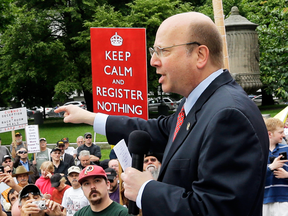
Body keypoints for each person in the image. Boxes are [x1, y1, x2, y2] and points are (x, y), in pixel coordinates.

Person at [55, 12, 269, 215]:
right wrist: (90, 117)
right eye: (153, 52)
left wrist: (145, 189)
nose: (153, 61)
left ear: (200, 55)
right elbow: (156, 131)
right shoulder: (200, 103)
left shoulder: (228, 116)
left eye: (163, 51)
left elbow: (215, 210)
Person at [263, 118, 288, 215]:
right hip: (264, 200)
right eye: (280, 132)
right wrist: (271, 168)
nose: (284, 135)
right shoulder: (258, 152)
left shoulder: (286, 149)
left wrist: (287, 174)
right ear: (270, 134)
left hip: (284, 199)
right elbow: (253, 176)